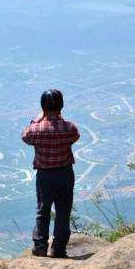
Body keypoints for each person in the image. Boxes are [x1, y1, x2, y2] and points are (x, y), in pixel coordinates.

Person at [22, 89, 80, 258]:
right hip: (65, 173)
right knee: (63, 211)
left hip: (44, 175)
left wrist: (37, 119)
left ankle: (40, 246)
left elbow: (25, 137)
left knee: (43, 210)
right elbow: (75, 137)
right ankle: (58, 248)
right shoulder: (69, 127)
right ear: (61, 106)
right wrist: (58, 118)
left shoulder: (35, 129)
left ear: (42, 107)